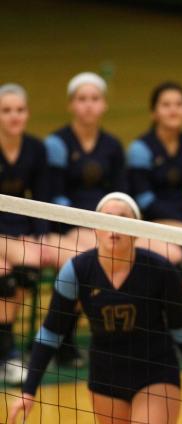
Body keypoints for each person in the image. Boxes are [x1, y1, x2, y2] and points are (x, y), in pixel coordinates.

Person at [8, 192, 182, 424]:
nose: (113, 226)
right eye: (107, 219)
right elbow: (51, 332)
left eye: (122, 219)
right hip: (106, 377)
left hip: (156, 373)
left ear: (136, 231)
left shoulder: (160, 270)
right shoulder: (76, 270)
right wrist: (29, 390)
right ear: (95, 228)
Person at [44, 72, 130, 368]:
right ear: (71, 105)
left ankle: (123, 336)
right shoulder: (57, 144)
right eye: (82, 99)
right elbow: (51, 194)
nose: (89, 106)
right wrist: (82, 220)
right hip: (66, 227)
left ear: (104, 105)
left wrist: (108, 221)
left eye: (95, 99)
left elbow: (120, 194)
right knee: (86, 266)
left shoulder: (113, 146)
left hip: (105, 228)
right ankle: (64, 339)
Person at [127, 81, 182, 314]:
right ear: (154, 112)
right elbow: (144, 200)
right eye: (166, 105)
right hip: (150, 221)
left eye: (179, 104)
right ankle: (171, 314)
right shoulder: (141, 149)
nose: (174, 110)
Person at [0, 83, 52, 385]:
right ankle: (7, 353)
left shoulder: (36, 149)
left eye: (19, 110)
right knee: (3, 278)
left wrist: (40, 235)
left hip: (19, 229)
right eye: (6, 111)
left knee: (25, 274)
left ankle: (8, 350)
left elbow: (42, 198)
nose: (14, 116)